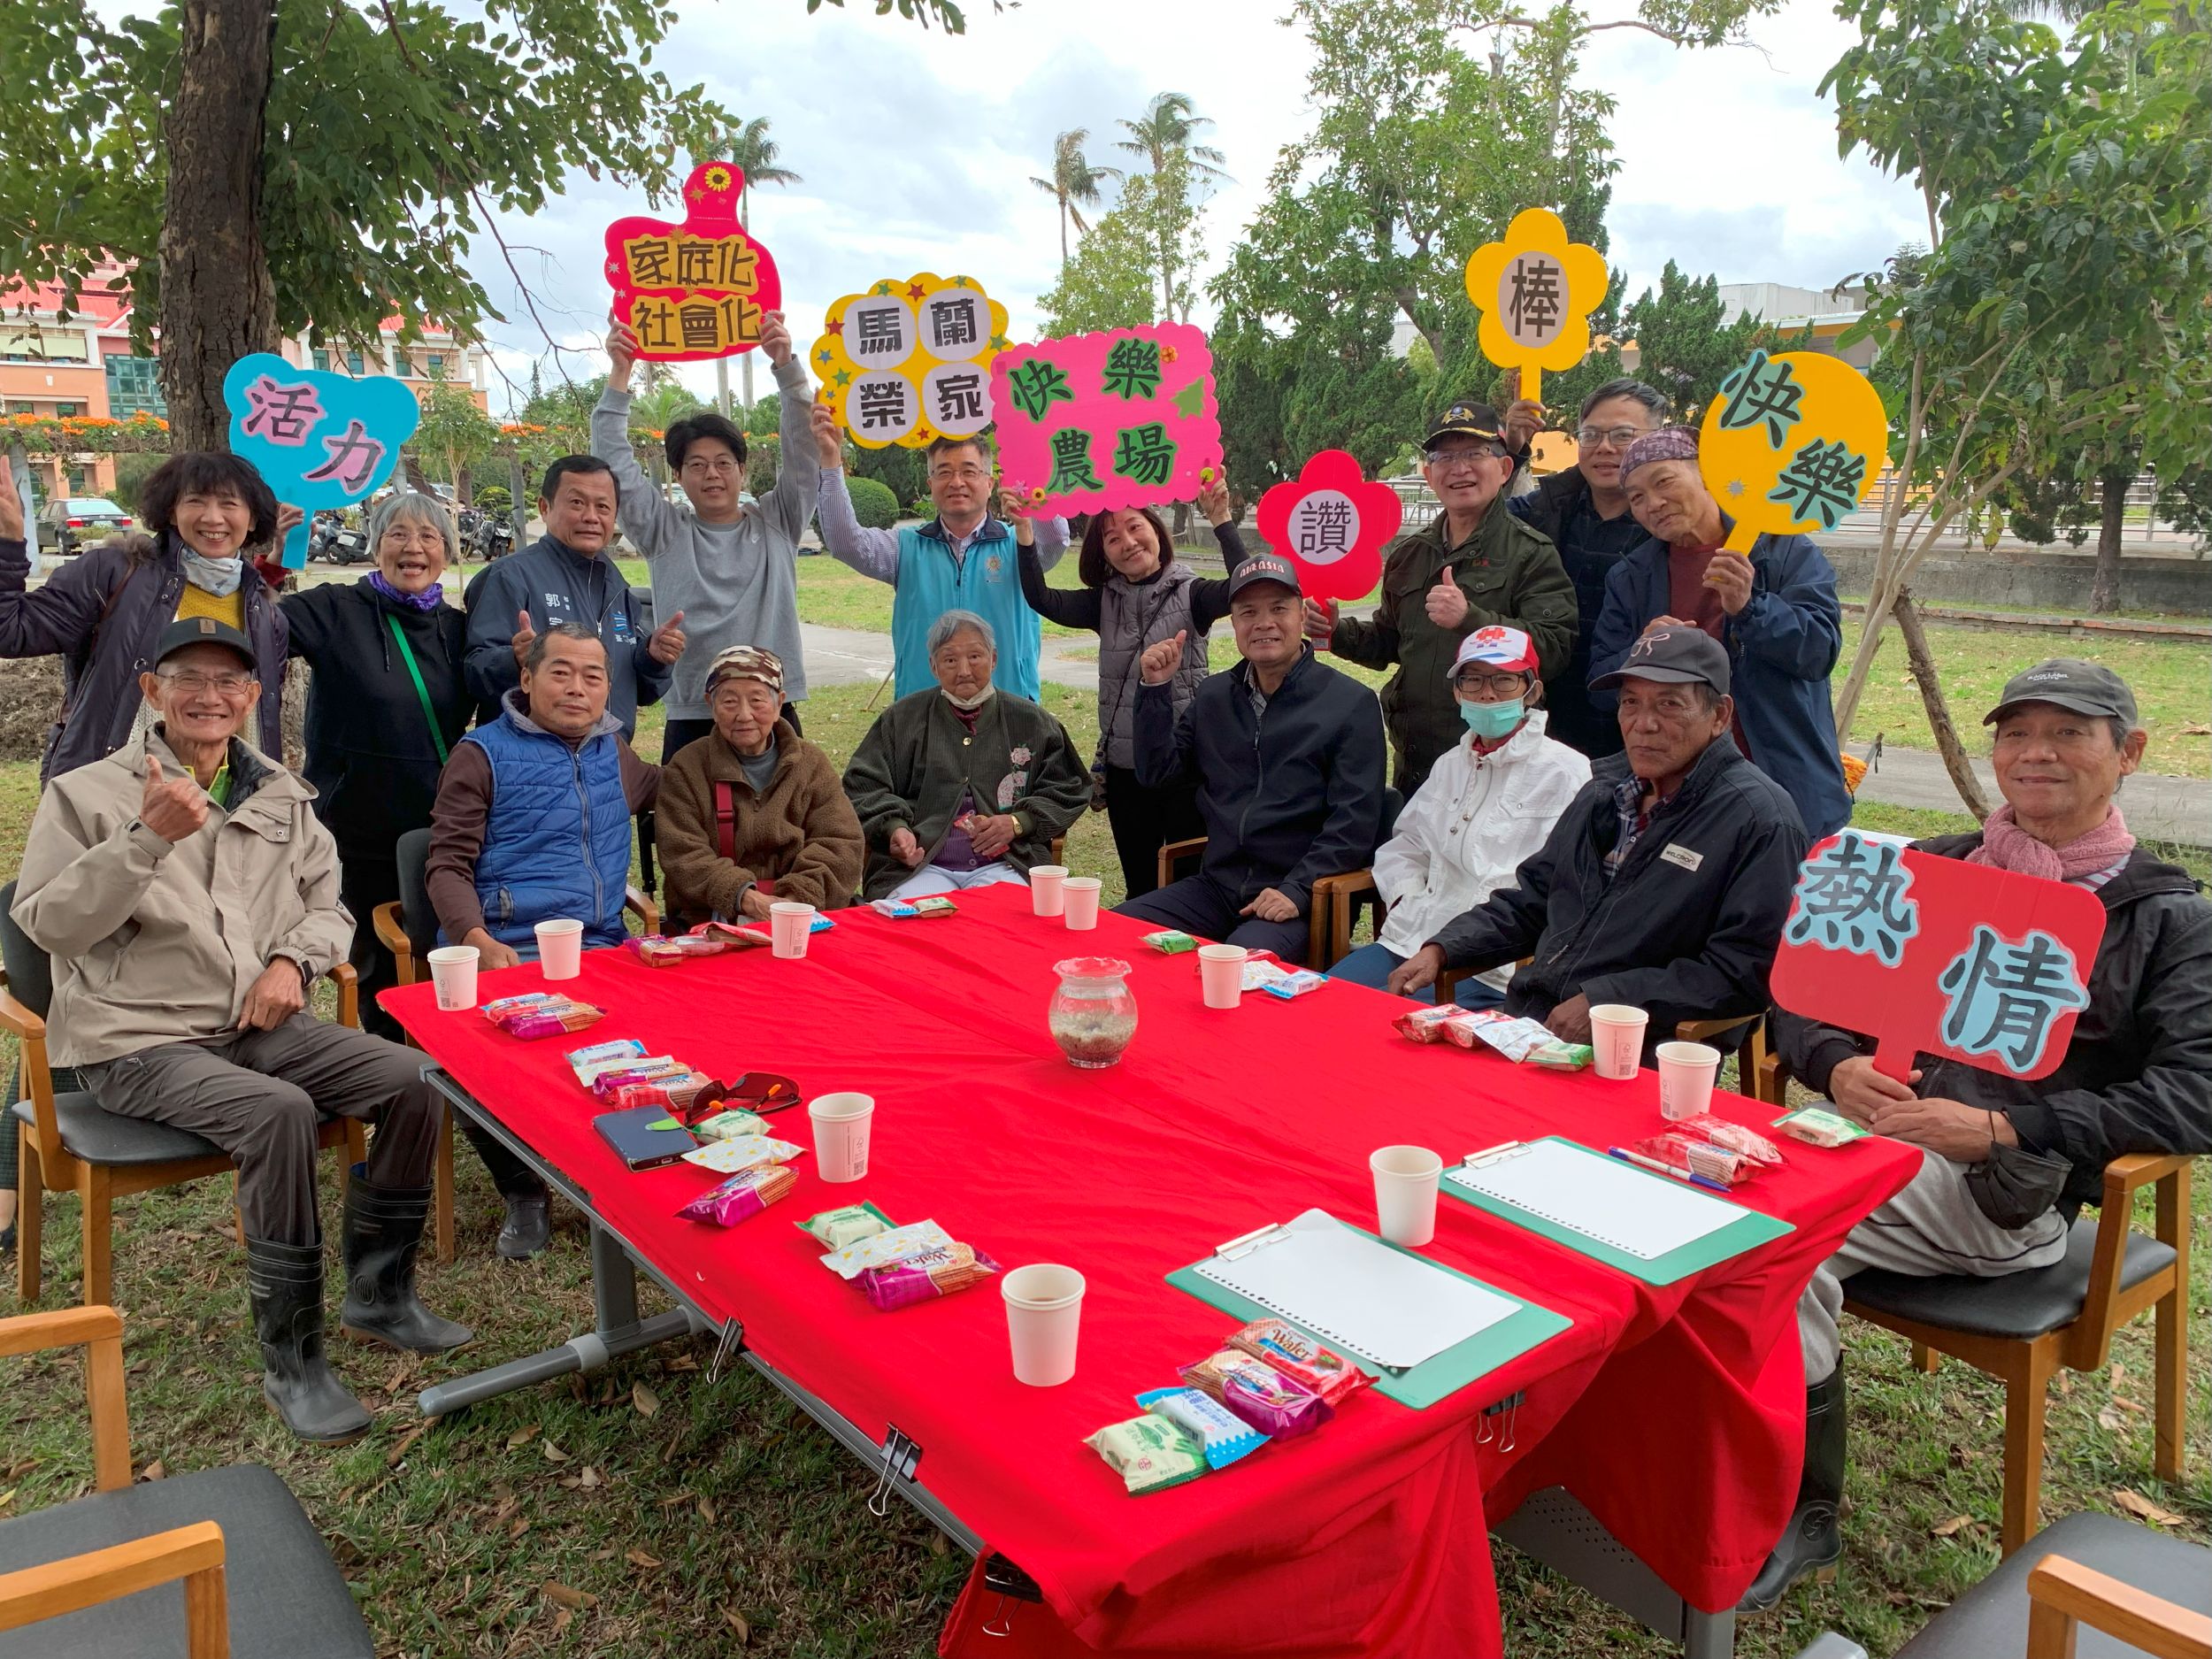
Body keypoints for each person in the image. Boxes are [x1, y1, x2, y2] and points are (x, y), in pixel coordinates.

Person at [1747, 660, 2212, 1610]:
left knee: (1765, 1241)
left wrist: (2005, 1123)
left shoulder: (2167, 918)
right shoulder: (1936, 866)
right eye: (2015, 732)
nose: (2035, 753)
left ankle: (1799, 1508)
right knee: (1704, 1192)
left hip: (2002, 1193)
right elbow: (1796, 994)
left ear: (2127, 753)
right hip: (1860, 1140)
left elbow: (2196, 1093)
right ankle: (1722, 1446)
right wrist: (1835, 1064)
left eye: (2069, 733)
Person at [12, 618, 468, 1442]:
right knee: (277, 1112)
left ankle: (381, 1292)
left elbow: (328, 906)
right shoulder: (83, 796)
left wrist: (292, 962)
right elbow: (48, 926)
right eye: (189, 678)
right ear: (152, 689)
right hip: (134, 1040)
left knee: (413, 1078)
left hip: (251, 1021)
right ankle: (293, 1359)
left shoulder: (281, 797)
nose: (209, 696)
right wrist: (146, 838)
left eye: (230, 683)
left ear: (256, 696)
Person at [1389, 628, 1807, 1048]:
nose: (1643, 724)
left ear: (1719, 716)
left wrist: (1606, 1003)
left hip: (1644, 1044)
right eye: (1630, 703)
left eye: (1669, 704)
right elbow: (1535, 897)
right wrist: (1445, 948)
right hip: (1533, 1022)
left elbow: (1746, 970)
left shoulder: (1759, 819)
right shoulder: (1606, 791)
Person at [427, 623, 659, 1257]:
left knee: (672, 1030)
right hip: (512, 949)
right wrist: (475, 937)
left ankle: (632, 1174)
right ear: (526, 679)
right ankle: (524, 1188)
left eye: (592, 676)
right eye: (560, 672)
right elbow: (445, 863)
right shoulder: (481, 754)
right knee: (471, 1061)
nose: (577, 688)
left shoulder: (615, 751)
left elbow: (677, 796)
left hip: (607, 946)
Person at [1117, 554, 1386, 962]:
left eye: (1279, 609)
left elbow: (1353, 822)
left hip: (1301, 896)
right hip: (1217, 886)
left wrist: (1297, 890)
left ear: (1301, 616)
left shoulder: (1351, 704)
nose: (1264, 623)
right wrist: (1155, 690)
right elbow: (1159, 776)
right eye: (1248, 612)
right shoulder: (1213, 696)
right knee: (1115, 934)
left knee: (1234, 969)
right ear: (1235, 624)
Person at [1587, 427, 1853, 837]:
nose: (1653, 504)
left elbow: (1818, 651)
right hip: (1678, 791)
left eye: (1664, 481)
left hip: (1783, 777)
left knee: (1779, 897)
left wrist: (1751, 608)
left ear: (1707, 474)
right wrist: (1642, 652)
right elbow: (1601, 683)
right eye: (1636, 497)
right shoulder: (1632, 576)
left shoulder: (1782, 551)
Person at [1306, 401, 1577, 795]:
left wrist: (1472, 618)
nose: (1459, 468)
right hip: (1416, 761)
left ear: (1503, 469)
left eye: (1474, 454)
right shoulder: (1410, 554)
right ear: (1430, 475)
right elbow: (1391, 642)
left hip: (1495, 761)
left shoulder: (1531, 552)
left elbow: (1554, 647)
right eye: (1445, 457)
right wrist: (1336, 631)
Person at [280, 493, 472, 1041]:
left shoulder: (457, 630)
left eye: (429, 537)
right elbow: (251, 627)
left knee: (440, 950)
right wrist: (266, 562)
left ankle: (447, 1064)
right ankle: (392, 1074)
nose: (413, 548)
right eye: (398, 535)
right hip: (354, 825)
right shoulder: (335, 610)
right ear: (375, 545)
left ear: (445, 551)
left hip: (440, 825)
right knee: (373, 959)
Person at [593, 311, 818, 763]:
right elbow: (614, 463)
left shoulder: (778, 519)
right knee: (688, 829)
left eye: (723, 462)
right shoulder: (665, 530)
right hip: (695, 708)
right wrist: (620, 373)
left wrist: (786, 369)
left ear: (742, 469)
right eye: (696, 465)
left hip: (772, 705)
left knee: (787, 828)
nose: (711, 474)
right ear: (678, 475)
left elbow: (803, 455)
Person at [1015, 472, 1251, 897]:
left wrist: (1221, 520)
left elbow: (1245, 585)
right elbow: (1041, 599)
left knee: (1189, 884)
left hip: (1187, 766)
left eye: (1134, 526)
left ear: (1156, 531)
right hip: (1128, 769)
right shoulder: (1103, 601)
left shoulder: (1192, 593)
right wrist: (1025, 530)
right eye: (1111, 537)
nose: (1127, 541)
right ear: (1104, 554)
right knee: (1139, 886)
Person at [1328, 626, 1590, 1006]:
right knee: (1320, 1005)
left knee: (1389, 1037)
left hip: (1492, 966)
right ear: (1456, 692)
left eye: (1503, 680)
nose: (1487, 693)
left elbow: (1564, 887)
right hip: (1408, 939)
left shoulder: (1566, 772)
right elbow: (1406, 845)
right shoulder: (1451, 764)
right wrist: (1406, 898)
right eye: (1473, 680)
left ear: (1531, 691)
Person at [0, 451, 287, 783]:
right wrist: (8, 543)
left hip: (224, 802)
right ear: (172, 512)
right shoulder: (113, 574)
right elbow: (10, 631)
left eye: (229, 504)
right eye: (195, 501)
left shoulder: (265, 616)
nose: (212, 518)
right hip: (113, 792)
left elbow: (256, 714)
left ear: (251, 519)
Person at [811, 409, 1071, 701]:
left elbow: (1056, 540)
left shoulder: (1018, 545)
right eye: (944, 472)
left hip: (1008, 712)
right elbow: (845, 542)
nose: (956, 482)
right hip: (925, 716)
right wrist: (831, 460)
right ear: (930, 485)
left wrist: (1035, 482)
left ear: (990, 483)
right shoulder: (907, 547)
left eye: (969, 472)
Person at [842, 611, 1092, 902]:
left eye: (975, 657)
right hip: (921, 868)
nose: (964, 670)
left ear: (994, 659)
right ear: (934, 667)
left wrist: (1017, 822)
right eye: (949, 660)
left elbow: (1069, 787)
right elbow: (862, 785)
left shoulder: (1031, 721)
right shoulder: (901, 720)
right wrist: (893, 828)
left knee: (1008, 928)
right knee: (915, 929)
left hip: (1006, 863)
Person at [462, 456, 686, 741]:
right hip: (529, 764)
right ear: (545, 508)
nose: (591, 517)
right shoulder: (509, 577)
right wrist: (514, 661)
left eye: (603, 506)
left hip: (604, 765)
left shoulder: (617, 587)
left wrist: (653, 658)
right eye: (577, 503)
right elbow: (473, 674)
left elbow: (638, 692)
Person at [1509, 379, 1671, 758]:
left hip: (1631, 714)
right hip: (1546, 708)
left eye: (1623, 435)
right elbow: (1483, 521)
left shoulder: (1670, 520)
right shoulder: (1550, 507)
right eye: (1592, 434)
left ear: (1657, 437)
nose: (1605, 447)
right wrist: (1512, 451)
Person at [655, 646, 864, 925]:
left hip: (802, 912)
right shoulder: (687, 767)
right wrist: (745, 897)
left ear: (779, 704)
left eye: (757, 701)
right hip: (711, 917)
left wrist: (792, 902)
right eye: (729, 702)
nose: (744, 715)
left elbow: (841, 843)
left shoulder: (811, 765)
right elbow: (683, 853)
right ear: (711, 705)